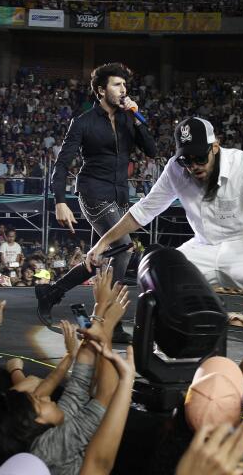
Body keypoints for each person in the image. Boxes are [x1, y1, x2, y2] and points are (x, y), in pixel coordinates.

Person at [85, 117, 243, 360]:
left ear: (215, 147)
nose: (194, 165)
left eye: (200, 157)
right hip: (203, 244)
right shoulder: (175, 169)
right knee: (162, 279)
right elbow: (145, 209)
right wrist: (103, 241)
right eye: (186, 159)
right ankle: (159, 358)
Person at [36, 62, 157, 344]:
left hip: (119, 196)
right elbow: (62, 164)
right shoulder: (83, 122)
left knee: (102, 257)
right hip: (93, 192)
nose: (123, 89)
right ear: (102, 90)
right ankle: (107, 321)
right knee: (124, 247)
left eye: (125, 86)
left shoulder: (129, 119)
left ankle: (52, 292)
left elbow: (151, 150)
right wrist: (60, 201)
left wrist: (137, 116)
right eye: (117, 85)